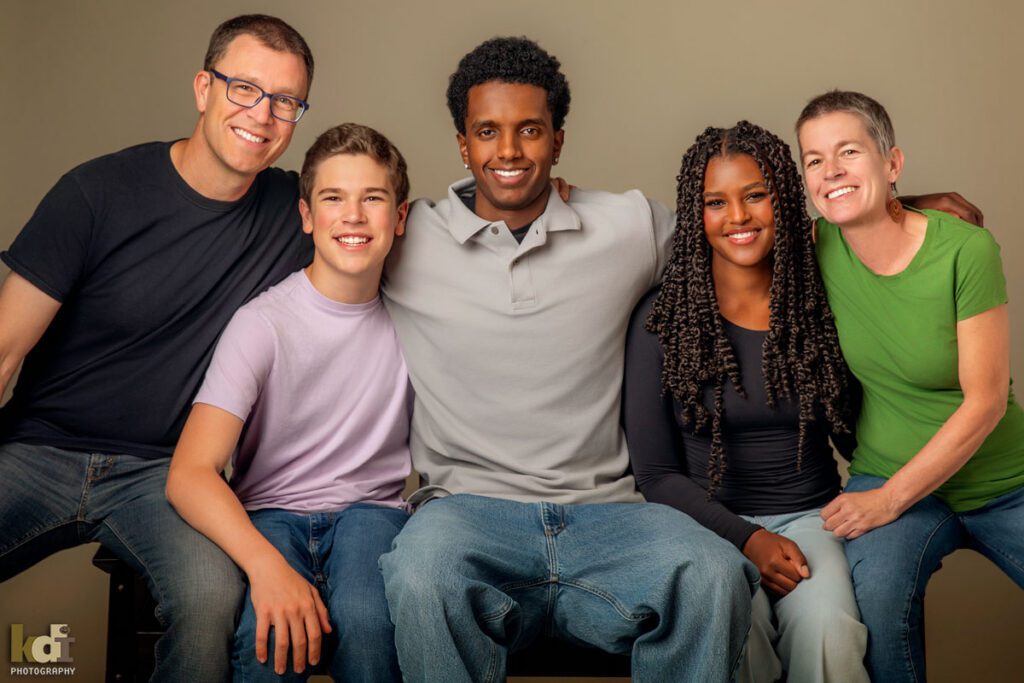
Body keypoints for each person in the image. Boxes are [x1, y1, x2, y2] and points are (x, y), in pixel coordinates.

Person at [378, 36, 759, 683]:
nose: (508, 151)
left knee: (715, 573)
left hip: (610, 515)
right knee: (419, 571)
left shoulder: (629, 226)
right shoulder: (404, 237)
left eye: (529, 129)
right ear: (463, 144)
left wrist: (903, 213)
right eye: (488, 131)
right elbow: (310, 229)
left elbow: (746, 231)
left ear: (558, 138)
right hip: (469, 514)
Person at [0, 15, 314, 682]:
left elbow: (388, 212)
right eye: (244, 88)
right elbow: (3, 348)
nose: (263, 114)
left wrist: (535, 200)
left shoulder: (298, 211)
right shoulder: (97, 191)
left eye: (286, 100)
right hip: (36, 451)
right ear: (204, 88)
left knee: (211, 600)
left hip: (165, 476)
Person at [623, 121, 868, 683]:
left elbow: (858, 432)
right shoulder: (662, 323)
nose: (738, 216)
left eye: (756, 194)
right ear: (696, 213)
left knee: (830, 629)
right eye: (716, 201)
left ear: (783, 199)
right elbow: (656, 476)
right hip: (705, 526)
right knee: (734, 630)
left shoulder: (819, 308)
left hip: (811, 518)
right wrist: (748, 538)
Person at [166, 123, 411, 682]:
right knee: (268, 635)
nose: (353, 215)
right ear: (306, 216)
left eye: (373, 198)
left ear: (399, 218)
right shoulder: (262, 324)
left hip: (372, 513)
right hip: (269, 514)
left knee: (372, 623)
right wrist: (264, 566)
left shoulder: (418, 317)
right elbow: (190, 473)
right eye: (333, 198)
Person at [796, 90, 1024, 682]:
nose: (831, 171)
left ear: (892, 162)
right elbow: (725, 226)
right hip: (889, 470)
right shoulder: (815, 247)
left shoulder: (964, 250)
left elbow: (987, 401)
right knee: (875, 603)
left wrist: (887, 501)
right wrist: (561, 195)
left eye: (849, 151)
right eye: (814, 160)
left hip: (1006, 482)